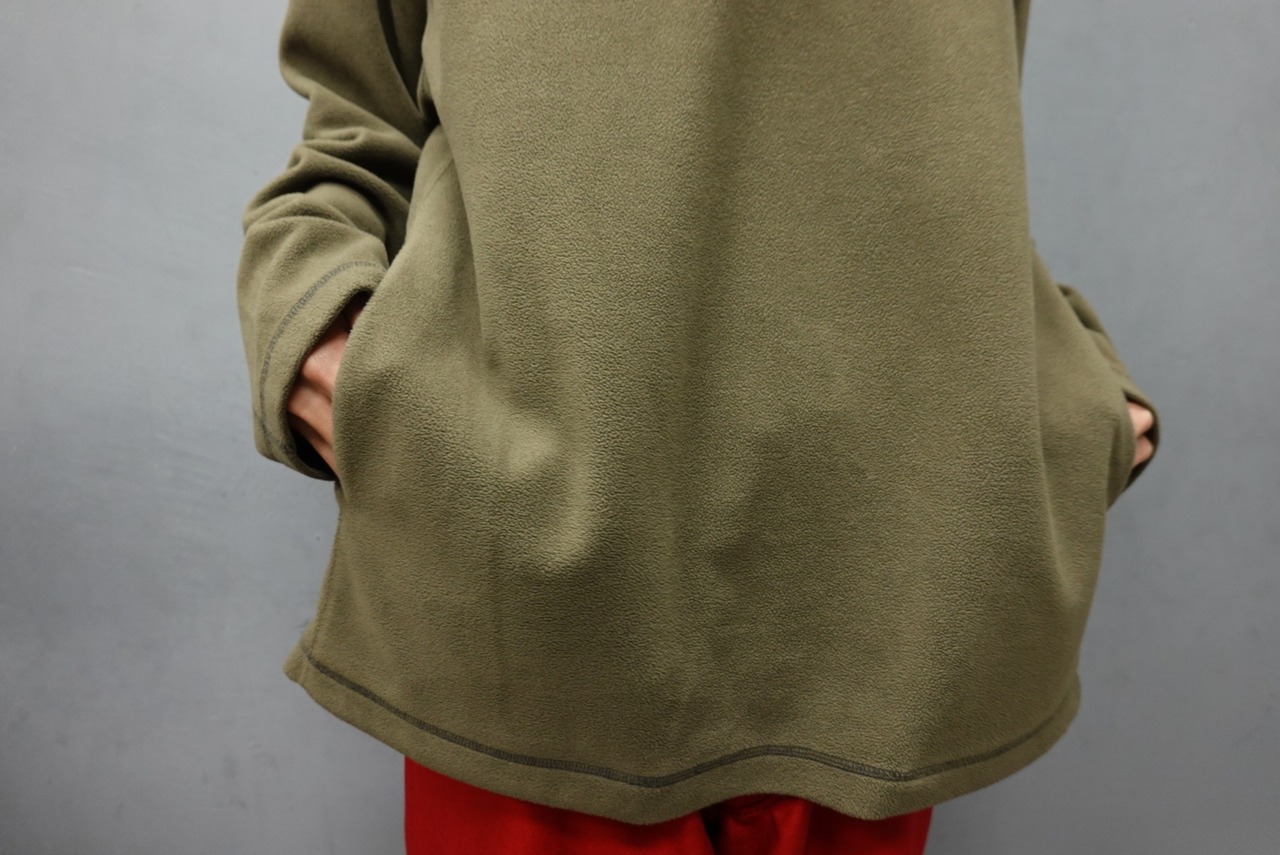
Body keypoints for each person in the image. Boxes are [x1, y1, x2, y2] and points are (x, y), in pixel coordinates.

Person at [234, 0, 1160, 852]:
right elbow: (358, 122)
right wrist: (318, 341)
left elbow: (957, 140)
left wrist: (1072, 389)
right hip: (532, 602)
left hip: (893, 590)